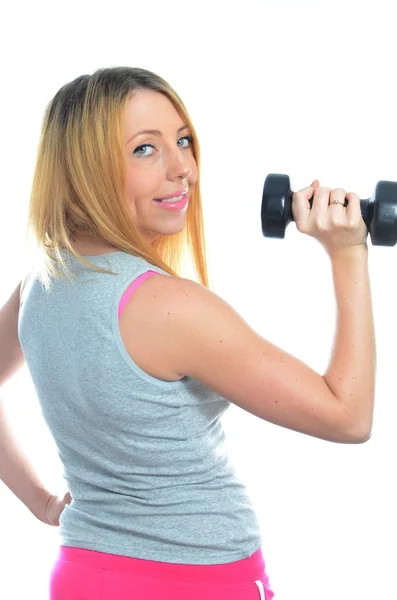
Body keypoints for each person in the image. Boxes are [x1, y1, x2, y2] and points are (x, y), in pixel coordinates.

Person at [0, 67, 376, 600]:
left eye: (182, 141)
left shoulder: (39, 283)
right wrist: (347, 253)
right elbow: (348, 416)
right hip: (198, 582)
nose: (182, 170)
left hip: (83, 575)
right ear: (86, 169)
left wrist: (40, 502)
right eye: (144, 150)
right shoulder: (170, 307)